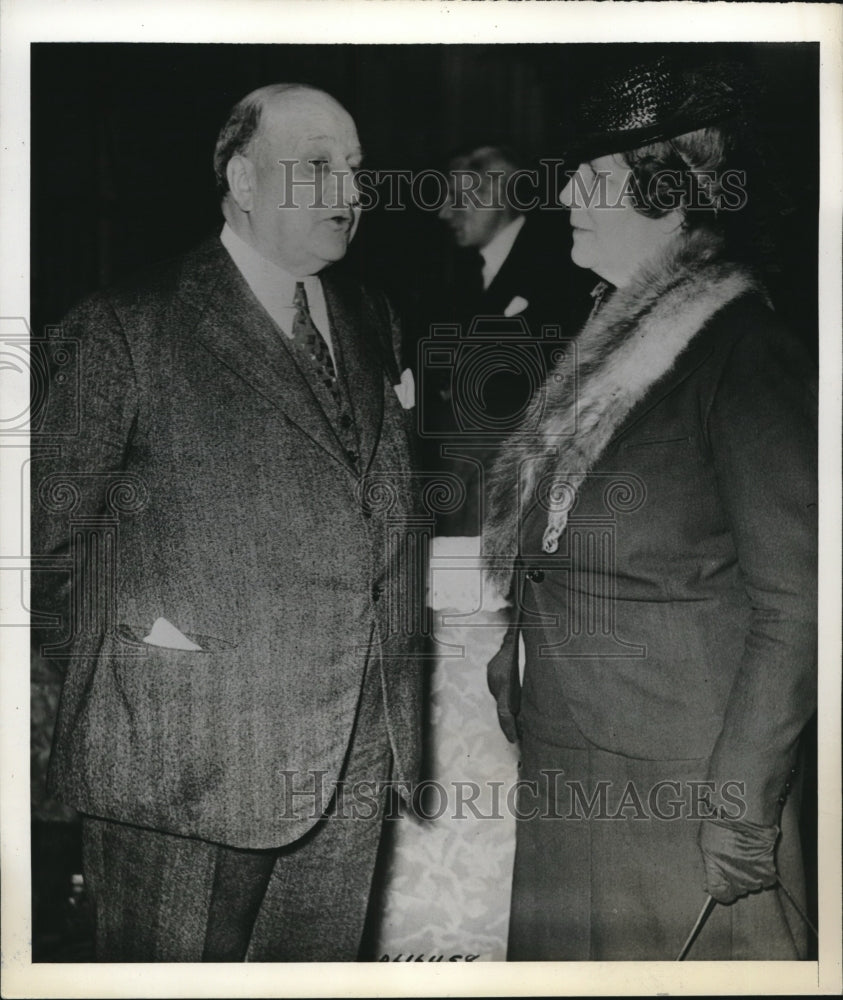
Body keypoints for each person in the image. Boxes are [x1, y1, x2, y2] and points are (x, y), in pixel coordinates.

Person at [30, 83, 423, 962]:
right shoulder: (126, 326)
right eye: (316, 166)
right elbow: (38, 544)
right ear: (244, 180)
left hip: (352, 753)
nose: (348, 194)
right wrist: (145, 655)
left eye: (355, 170)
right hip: (185, 753)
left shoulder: (371, 319)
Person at [483, 59, 817, 960]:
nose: (564, 197)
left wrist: (740, 808)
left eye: (594, 177)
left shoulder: (744, 352)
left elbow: (801, 604)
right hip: (575, 769)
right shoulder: (605, 333)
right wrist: (513, 650)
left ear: (670, 194)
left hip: (682, 793)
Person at [423, 144, 590, 535]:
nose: (444, 213)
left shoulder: (560, 262)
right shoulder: (461, 274)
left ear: (497, 197)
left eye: (458, 201)